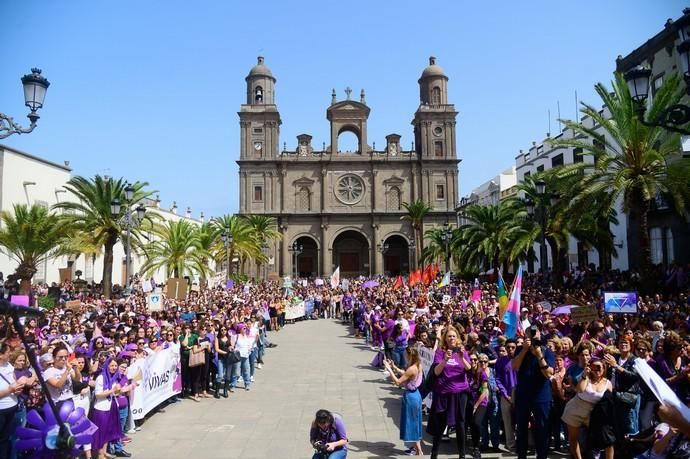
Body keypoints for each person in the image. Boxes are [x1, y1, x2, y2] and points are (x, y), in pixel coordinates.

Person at [427, 325, 472, 459]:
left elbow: (468, 368)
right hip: (444, 393)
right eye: (449, 336)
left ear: (457, 338)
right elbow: (436, 372)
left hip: (460, 392)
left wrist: (462, 357)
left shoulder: (462, 351)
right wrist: (445, 359)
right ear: (445, 339)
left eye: (454, 336)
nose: (452, 338)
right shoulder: (440, 352)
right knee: (441, 424)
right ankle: (434, 454)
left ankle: (462, 455)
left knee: (460, 423)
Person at [511, 322, 555, 459]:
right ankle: (521, 455)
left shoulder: (547, 351)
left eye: (536, 333)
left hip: (541, 396)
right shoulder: (520, 350)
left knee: (542, 428)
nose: (534, 335)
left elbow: (548, 374)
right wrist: (524, 350)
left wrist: (539, 355)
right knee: (522, 429)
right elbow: (514, 366)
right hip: (523, 395)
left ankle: (541, 455)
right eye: (530, 333)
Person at [561, 358, 613, 459]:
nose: (596, 370)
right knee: (573, 439)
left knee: (606, 440)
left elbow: (609, 401)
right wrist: (585, 374)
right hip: (576, 408)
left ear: (604, 368)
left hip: (593, 412)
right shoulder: (586, 378)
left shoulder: (608, 383)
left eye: (599, 367)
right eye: (593, 367)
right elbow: (580, 390)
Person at [384, 347, 423, 456]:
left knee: (412, 423)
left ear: (409, 355)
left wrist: (389, 369)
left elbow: (398, 382)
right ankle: (414, 449)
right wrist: (394, 367)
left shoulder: (412, 368)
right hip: (416, 395)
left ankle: (418, 451)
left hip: (411, 397)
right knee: (414, 422)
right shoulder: (418, 365)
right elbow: (406, 374)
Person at [91, 357, 125, 459]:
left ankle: (104, 453)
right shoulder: (101, 377)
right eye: (111, 365)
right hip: (101, 409)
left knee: (107, 432)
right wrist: (112, 390)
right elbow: (98, 395)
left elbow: (115, 393)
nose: (114, 368)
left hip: (111, 407)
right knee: (101, 433)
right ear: (107, 366)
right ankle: (100, 455)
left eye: (115, 366)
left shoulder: (114, 377)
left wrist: (119, 390)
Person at [495, 338, 517, 452]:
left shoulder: (520, 359)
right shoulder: (500, 361)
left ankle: (526, 442)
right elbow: (497, 379)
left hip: (519, 394)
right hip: (505, 394)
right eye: (508, 347)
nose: (510, 349)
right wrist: (504, 393)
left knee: (522, 420)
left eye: (513, 347)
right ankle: (511, 445)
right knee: (507, 422)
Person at [0, 342, 22, 459]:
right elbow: (9, 388)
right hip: (1, 410)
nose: (10, 354)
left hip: (12, 407)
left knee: (6, 438)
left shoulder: (8, 365)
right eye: (8, 352)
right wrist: (9, 390)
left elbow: (14, 381)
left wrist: (17, 389)